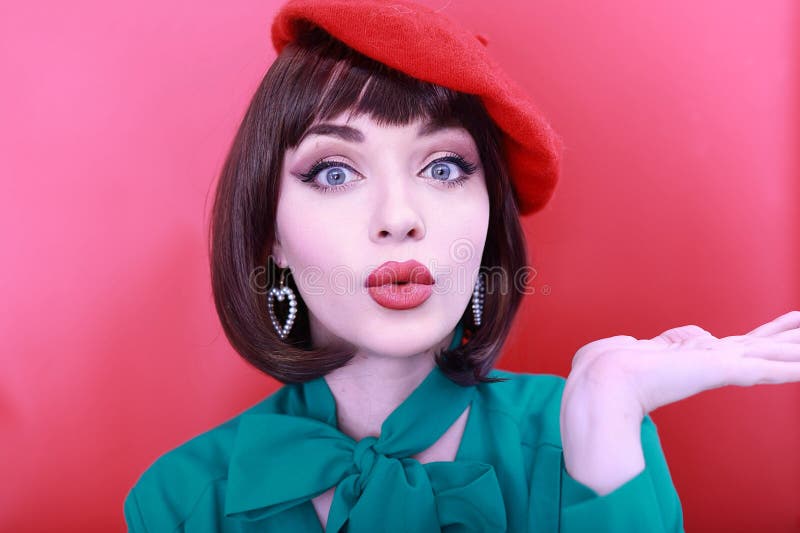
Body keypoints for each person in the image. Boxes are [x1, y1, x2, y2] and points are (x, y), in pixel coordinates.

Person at [123, 0, 800, 531]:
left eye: (442, 166)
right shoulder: (179, 500)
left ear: (488, 224)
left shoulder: (591, 442)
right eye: (334, 171)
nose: (400, 216)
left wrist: (606, 422)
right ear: (270, 235)